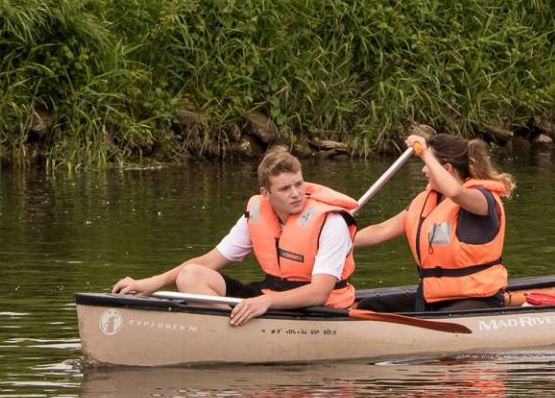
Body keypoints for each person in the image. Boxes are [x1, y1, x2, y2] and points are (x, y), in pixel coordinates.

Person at [111, 147, 358, 326]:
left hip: (318, 306)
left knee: (260, 298)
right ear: (266, 194)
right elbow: (209, 261)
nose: (296, 194)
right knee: (191, 275)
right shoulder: (257, 214)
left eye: (299, 184)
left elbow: (319, 292)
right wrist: (153, 282)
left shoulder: (331, 222)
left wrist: (266, 303)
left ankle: (231, 330)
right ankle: (231, 326)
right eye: (285, 188)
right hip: (271, 295)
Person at [354, 131, 514, 313]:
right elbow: (382, 230)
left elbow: (455, 192)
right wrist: (345, 241)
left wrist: (424, 153)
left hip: (477, 297)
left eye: (428, 164)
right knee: (370, 306)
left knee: (444, 316)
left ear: (447, 169)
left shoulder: (480, 199)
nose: (423, 170)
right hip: (434, 296)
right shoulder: (426, 203)